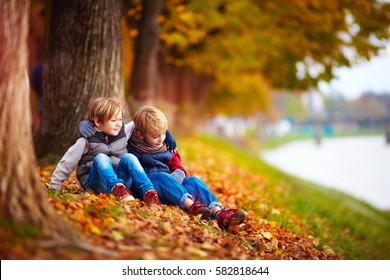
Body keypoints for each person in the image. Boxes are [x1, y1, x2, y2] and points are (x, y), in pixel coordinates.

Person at [81, 105, 246, 229]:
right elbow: (113, 127)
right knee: (161, 178)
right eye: (155, 136)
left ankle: (219, 212)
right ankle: (192, 206)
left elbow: (179, 167)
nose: (161, 139)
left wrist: (176, 176)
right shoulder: (129, 141)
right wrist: (85, 125)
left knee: (193, 181)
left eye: (163, 134)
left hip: (172, 181)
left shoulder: (168, 146)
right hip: (147, 184)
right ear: (140, 134)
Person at [49, 97, 162, 205]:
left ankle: (149, 193)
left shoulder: (122, 131)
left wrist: (169, 138)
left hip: (121, 181)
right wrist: (55, 184)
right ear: (98, 121)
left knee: (129, 157)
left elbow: (146, 122)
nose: (118, 124)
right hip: (95, 183)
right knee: (101, 157)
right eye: (114, 120)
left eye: (120, 119)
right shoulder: (86, 140)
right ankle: (117, 188)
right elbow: (68, 161)